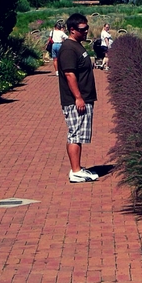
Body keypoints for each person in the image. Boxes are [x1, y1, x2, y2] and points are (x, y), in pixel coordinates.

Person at [58, 13, 99, 183]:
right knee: (75, 134)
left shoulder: (77, 45)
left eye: (87, 28)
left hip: (84, 97)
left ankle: (78, 168)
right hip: (76, 100)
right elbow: (69, 74)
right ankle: (75, 171)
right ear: (72, 29)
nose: (86, 32)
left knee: (80, 134)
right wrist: (78, 98)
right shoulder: (68, 48)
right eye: (83, 29)